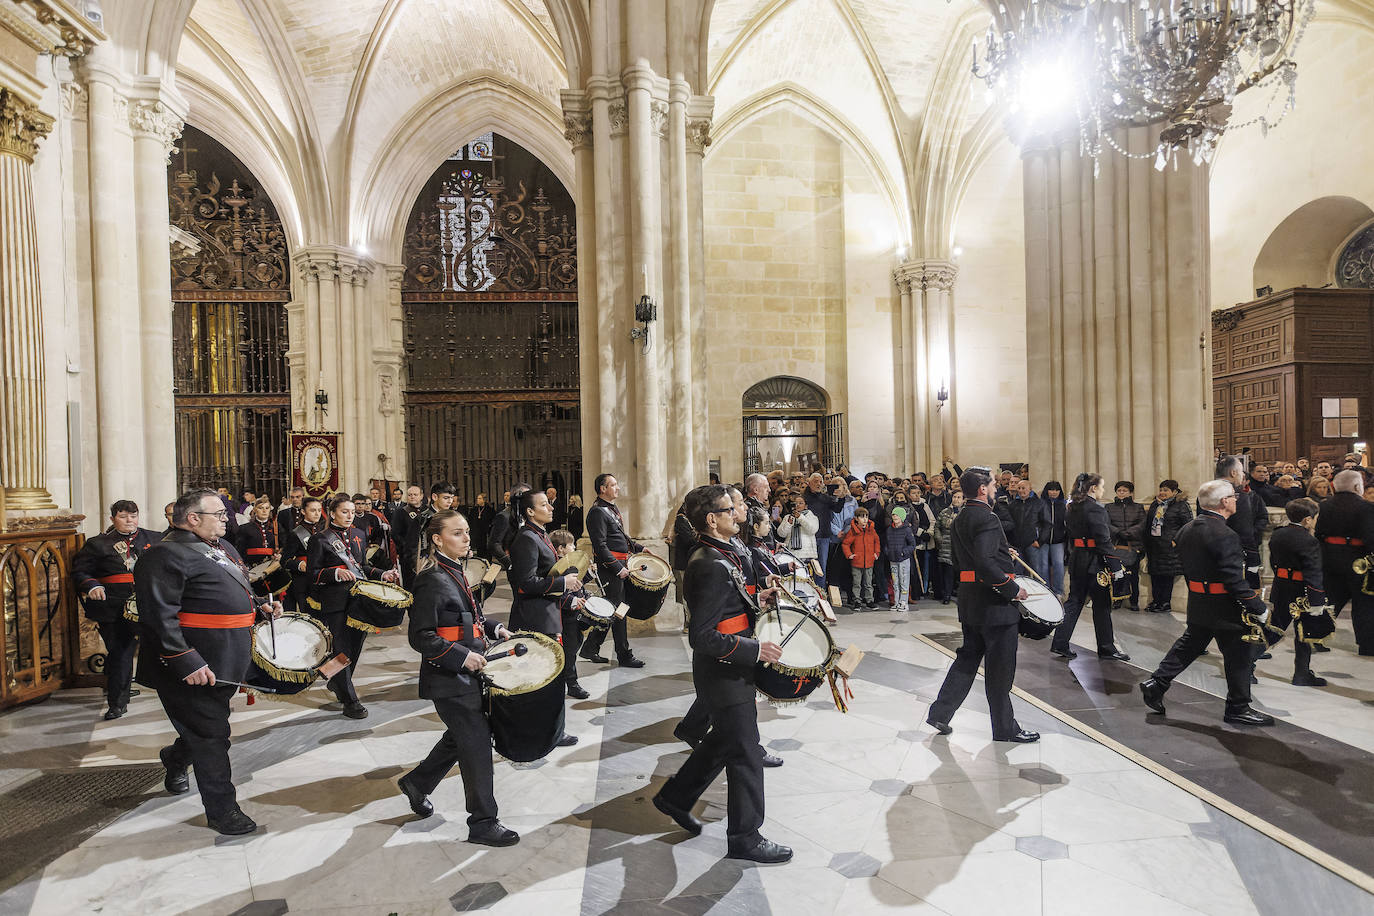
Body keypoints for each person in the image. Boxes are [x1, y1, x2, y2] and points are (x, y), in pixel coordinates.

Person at [651, 485, 792, 864]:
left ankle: (675, 797)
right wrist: (754, 649)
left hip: (731, 667)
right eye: (730, 509)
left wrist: (756, 600)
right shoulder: (708, 562)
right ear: (712, 519)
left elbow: (728, 606)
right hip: (722, 671)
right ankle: (745, 837)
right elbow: (702, 635)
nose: (737, 512)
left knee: (725, 741)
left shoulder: (722, 554)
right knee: (745, 752)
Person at [134, 488, 283, 835]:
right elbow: (158, 618)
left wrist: (259, 604)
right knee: (213, 734)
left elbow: (234, 588)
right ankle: (222, 810)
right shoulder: (163, 556)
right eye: (219, 514)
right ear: (193, 518)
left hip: (227, 657)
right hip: (191, 665)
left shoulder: (222, 547)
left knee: (205, 727)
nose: (227, 518)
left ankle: (175, 758)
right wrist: (186, 661)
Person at [397, 509, 520, 845]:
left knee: (461, 737)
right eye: (457, 533)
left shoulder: (456, 571)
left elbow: (468, 614)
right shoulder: (432, 577)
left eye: (467, 532)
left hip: (466, 674)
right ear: (437, 539)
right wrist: (462, 657)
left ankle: (418, 783)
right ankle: (482, 823)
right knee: (477, 745)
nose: (466, 538)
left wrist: (493, 627)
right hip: (448, 679)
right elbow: (421, 636)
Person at [1139, 480, 1275, 725]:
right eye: (1233, 496)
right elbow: (1233, 578)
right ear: (1224, 502)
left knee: (1190, 644)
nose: (1236, 500)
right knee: (1239, 655)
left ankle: (1157, 683)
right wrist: (1257, 606)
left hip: (1200, 600)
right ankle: (1238, 707)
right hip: (1224, 605)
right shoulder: (1225, 533)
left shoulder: (1188, 529)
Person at [926, 468, 1038, 743]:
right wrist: (1013, 590)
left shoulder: (961, 517)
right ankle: (1005, 729)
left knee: (967, 659)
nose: (996, 489)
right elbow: (986, 564)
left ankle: (941, 712)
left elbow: (970, 556)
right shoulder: (987, 517)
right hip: (995, 606)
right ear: (983, 489)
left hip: (970, 601)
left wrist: (1003, 551)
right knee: (1000, 672)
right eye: (992, 485)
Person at [306, 494, 400, 718]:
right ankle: (350, 701)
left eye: (351, 512)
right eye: (344, 512)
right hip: (335, 603)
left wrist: (382, 573)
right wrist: (334, 573)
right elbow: (312, 574)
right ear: (333, 514)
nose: (349, 516)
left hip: (359, 602)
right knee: (341, 649)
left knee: (355, 649)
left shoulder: (358, 534)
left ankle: (337, 681)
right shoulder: (320, 539)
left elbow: (363, 567)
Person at [72, 500, 160, 719]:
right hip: (113, 607)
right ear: (112, 519)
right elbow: (81, 572)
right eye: (123, 516)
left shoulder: (155, 539)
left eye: (133, 516)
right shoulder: (97, 544)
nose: (129, 520)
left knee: (160, 650)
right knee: (121, 652)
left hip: (149, 604)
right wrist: (92, 585)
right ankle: (117, 703)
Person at [507, 489, 581, 746]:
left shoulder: (539, 535)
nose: (550, 507)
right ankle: (544, 732)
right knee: (542, 678)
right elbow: (525, 583)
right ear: (530, 511)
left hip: (546, 613)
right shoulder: (527, 538)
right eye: (544, 504)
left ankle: (550, 731)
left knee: (549, 678)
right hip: (534, 618)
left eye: (549, 503)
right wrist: (562, 582)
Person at [1051, 474, 1129, 661]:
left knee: (1075, 601)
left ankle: (1060, 642)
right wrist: (1115, 565)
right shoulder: (1095, 509)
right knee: (1102, 605)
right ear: (1093, 488)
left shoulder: (1072, 507)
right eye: (1101, 487)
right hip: (1095, 561)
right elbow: (1103, 539)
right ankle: (1106, 648)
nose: (1103, 491)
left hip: (1078, 557)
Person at [580, 473, 646, 668]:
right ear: (603, 489)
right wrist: (618, 569)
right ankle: (624, 655)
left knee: (615, 610)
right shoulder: (597, 512)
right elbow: (600, 546)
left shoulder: (610, 508)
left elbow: (620, 537)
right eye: (614, 485)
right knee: (618, 612)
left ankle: (591, 647)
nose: (618, 488)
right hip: (611, 569)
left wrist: (640, 548)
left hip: (621, 566)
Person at [1266, 497, 1329, 685]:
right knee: (1305, 633)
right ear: (1307, 520)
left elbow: (1273, 563)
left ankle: (1248, 663)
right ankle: (1301, 674)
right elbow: (1313, 571)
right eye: (1315, 518)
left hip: (1282, 586)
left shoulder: (1278, 534)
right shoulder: (1308, 540)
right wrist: (1317, 599)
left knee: (1274, 629)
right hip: (1302, 592)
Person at [1316, 469, 1374, 656]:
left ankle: (1315, 637)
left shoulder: (1323, 506)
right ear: (1358, 486)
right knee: (1364, 603)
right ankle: (1367, 645)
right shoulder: (1367, 507)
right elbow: (1370, 538)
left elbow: (1318, 535)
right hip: (1359, 561)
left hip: (1330, 559)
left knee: (1330, 600)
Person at [1214, 455, 1269, 590]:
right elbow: (1243, 530)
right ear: (1233, 473)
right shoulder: (1237, 495)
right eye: (1239, 473)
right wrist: (1252, 553)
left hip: (1214, 550)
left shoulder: (1207, 492)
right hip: (1235, 551)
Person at [550, 529, 591, 700]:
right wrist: (573, 602)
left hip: (575, 613)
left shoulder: (571, 562)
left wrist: (588, 575)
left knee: (575, 644)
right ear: (561, 549)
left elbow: (578, 583)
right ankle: (572, 684)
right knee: (569, 650)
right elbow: (557, 593)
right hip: (565, 616)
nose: (574, 547)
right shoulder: (557, 568)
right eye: (571, 545)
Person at [1143, 480, 1191, 614]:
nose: (1162, 493)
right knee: (1155, 575)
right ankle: (1156, 601)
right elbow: (1149, 524)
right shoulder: (1155, 504)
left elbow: (1188, 526)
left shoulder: (1181, 505)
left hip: (1170, 546)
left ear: (1174, 491)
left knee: (1166, 575)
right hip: (1155, 546)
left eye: (1166, 490)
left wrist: (1176, 541)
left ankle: (1165, 602)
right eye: (1161, 489)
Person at [1106, 481, 1146, 612]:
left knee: (1133, 575)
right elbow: (1106, 523)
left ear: (1130, 492)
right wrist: (1118, 532)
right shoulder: (1109, 507)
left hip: (1132, 543)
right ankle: (1117, 599)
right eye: (1119, 490)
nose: (1121, 493)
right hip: (1116, 543)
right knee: (1117, 574)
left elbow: (1142, 523)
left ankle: (1134, 601)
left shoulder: (1138, 507)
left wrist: (1129, 533)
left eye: (1124, 490)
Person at [280, 496, 324, 613]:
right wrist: (299, 564)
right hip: (304, 582)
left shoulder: (324, 530)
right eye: (313, 510)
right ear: (303, 511)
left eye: (319, 510)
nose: (317, 513)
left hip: (322, 579)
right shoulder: (295, 533)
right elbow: (284, 561)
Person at [802, 472, 845, 588]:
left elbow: (837, 509)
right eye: (815, 481)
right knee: (807, 565)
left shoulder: (825, 497)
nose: (819, 484)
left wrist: (841, 497)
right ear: (809, 483)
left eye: (820, 481)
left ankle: (821, 592)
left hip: (824, 536)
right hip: (807, 536)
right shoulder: (804, 498)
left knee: (822, 566)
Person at [841, 507, 881, 609]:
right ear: (856, 518)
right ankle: (857, 601)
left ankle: (869, 600)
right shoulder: (853, 531)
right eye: (862, 517)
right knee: (857, 583)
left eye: (866, 517)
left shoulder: (871, 530)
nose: (864, 519)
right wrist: (850, 555)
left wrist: (876, 553)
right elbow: (845, 544)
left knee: (868, 583)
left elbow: (877, 541)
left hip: (869, 561)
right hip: (857, 562)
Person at [933, 490, 964, 605]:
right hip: (946, 546)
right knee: (948, 573)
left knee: (961, 574)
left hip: (960, 548)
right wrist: (939, 539)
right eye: (955, 497)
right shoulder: (945, 512)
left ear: (963, 500)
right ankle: (947, 595)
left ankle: (961, 594)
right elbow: (937, 526)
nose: (956, 499)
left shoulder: (966, 513)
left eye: (959, 497)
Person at [233, 497, 279, 568]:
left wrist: (279, 555)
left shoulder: (276, 527)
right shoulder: (244, 528)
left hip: (271, 566)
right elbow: (239, 551)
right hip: (251, 566)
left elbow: (283, 546)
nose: (264, 511)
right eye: (260, 508)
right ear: (254, 510)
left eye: (267, 508)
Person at [469, 493, 495, 560]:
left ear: (484, 500)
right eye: (477, 498)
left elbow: (493, 520)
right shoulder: (474, 510)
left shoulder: (490, 510)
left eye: (480, 498)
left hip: (486, 532)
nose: (478, 500)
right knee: (479, 547)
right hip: (478, 532)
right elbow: (471, 520)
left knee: (486, 547)